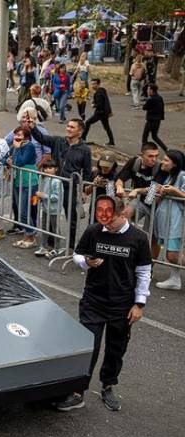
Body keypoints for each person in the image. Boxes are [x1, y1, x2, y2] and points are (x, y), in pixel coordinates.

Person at [57, 196, 151, 412]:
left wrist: (139, 304)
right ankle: (77, 391)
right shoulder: (94, 231)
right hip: (93, 301)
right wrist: (86, 262)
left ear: (123, 214)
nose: (106, 222)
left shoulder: (138, 238)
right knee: (88, 346)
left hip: (123, 306)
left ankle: (108, 386)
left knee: (116, 349)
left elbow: (144, 272)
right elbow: (77, 255)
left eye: (111, 219)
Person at [29, 118, 92, 250]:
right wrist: (32, 127)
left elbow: (87, 171)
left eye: (72, 127)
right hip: (53, 184)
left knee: (71, 217)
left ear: (80, 132)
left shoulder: (85, 149)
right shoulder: (58, 141)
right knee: (50, 213)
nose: (68, 129)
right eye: (68, 126)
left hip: (70, 187)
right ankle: (51, 243)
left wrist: (84, 190)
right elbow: (41, 138)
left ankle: (70, 246)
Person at [150, 150, 184, 290]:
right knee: (171, 253)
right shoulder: (168, 177)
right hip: (164, 220)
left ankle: (175, 279)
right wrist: (160, 192)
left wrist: (173, 191)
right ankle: (175, 279)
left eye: (166, 160)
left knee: (172, 255)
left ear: (175, 164)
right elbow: (154, 200)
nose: (162, 162)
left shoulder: (182, 175)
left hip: (175, 221)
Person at [117, 142, 160, 231]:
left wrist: (137, 190)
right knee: (124, 216)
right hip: (140, 201)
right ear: (141, 155)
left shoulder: (159, 167)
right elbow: (120, 179)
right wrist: (119, 187)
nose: (154, 159)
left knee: (150, 238)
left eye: (156, 156)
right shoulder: (134, 162)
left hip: (155, 205)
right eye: (150, 156)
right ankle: (128, 240)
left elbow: (156, 188)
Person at [34, 159, 64, 258]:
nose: (47, 170)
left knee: (55, 229)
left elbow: (57, 197)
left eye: (50, 168)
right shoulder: (44, 179)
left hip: (54, 210)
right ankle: (43, 246)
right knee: (44, 228)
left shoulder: (57, 181)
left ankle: (57, 248)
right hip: (46, 208)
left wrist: (44, 195)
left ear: (56, 169)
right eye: (45, 168)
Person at [82, 78, 115, 146]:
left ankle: (83, 138)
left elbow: (99, 104)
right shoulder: (102, 90)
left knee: (87, 123)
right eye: (92, 84)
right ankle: (111, 141)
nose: (92, 86)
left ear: (98, 84)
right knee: (106, 127)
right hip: (105, 112)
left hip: (100, 112)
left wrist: (94, 104)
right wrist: (109, 111)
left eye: (94, 84)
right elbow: (106, 101)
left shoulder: (98, 93)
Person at [142, 83, 167, 151]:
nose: (147, 91)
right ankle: (165, 149)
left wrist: (147, 99)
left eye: (148, 89)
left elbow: (144, 107)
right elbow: (162, 109)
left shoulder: (151, 99)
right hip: (157, 120)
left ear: (152, 91)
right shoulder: (159, 98)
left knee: (145, 137)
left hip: (151, 120)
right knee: (154, 136)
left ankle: (144, 151)